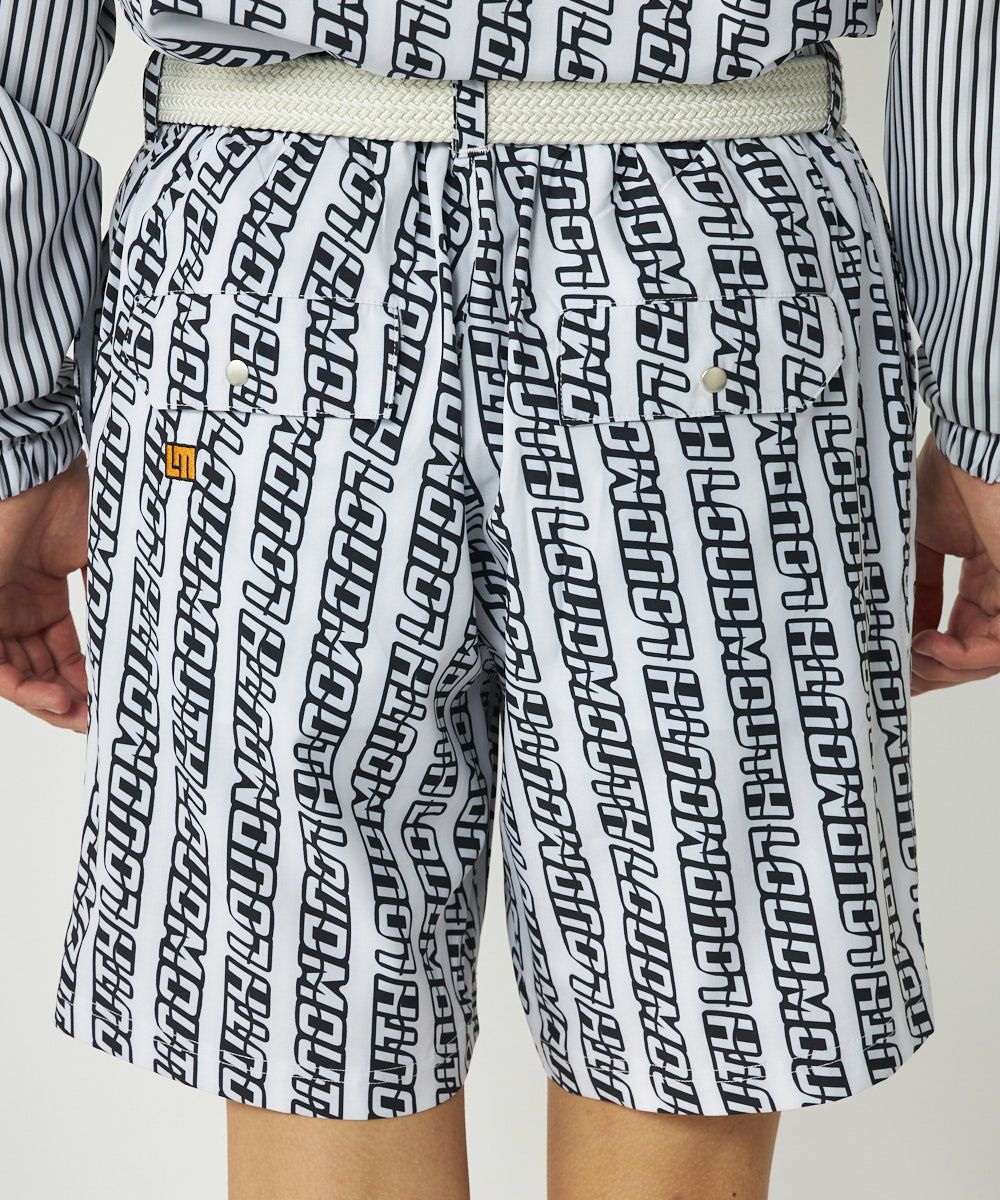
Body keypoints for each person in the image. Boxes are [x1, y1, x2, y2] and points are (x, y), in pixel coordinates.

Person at [0, 3, 997, 1199]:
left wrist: (12, 426)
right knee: (695, 1018)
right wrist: (990, 422)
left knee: (312, 1022)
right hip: (712, 267)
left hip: (267, 275)